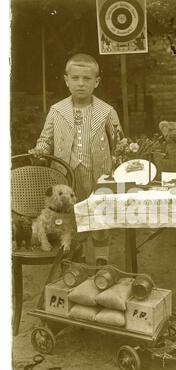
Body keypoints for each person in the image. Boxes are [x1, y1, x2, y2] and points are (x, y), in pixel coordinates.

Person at [29, 53, 123, 263]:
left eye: (87, 79)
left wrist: (117, 169)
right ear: (66, 80)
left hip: (98, 176)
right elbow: (45, 140)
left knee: (99, 221)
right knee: (69, 222)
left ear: (96, 82)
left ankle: (100, 265)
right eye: (75, 78)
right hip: (66, 179)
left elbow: (120, 145)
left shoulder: (107, 112)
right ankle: (74, 265)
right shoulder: (57, 111)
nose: (81, 83)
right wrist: (39, 150)